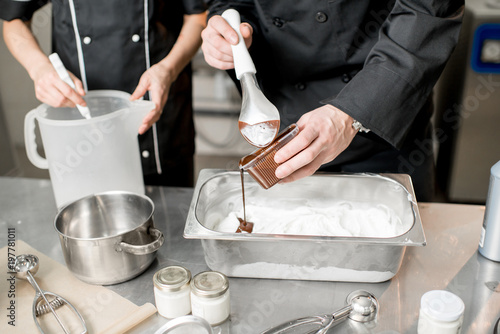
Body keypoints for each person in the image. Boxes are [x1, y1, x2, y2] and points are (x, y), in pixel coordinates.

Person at [201, 1, 464, 201]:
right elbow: (230, 4)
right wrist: (227, 29)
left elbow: (427, 12)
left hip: (384, 115)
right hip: (288, 125)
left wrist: (351, 113)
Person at [1, 0, 207, 187]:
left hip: (159, 111)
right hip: (79, 119)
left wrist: (168, 70)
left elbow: (199, 16)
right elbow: (13, 19)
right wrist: (39, 68)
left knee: (171, 217)